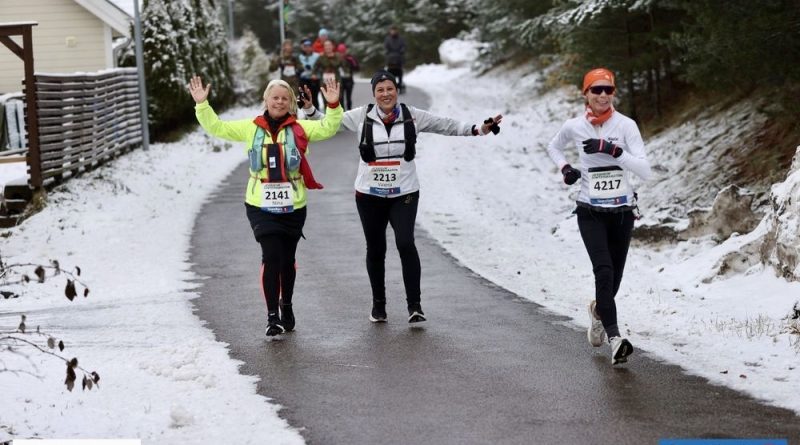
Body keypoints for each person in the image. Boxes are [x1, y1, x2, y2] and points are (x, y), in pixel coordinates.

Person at [322, 70, 502, 324]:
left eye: (390, 89)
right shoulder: (361, 116)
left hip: (404, 192)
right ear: (374, 94)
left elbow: (446, 125)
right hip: (369, 194)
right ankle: (379, 305)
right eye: (380, 90)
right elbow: (327, 125)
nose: (386, 94)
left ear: (396, 91)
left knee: (405, 243)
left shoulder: (412, 115)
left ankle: (414, 305)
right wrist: (313, 108)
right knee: (376, 248)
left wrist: (478, 129)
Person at [188, 75, 343, 337]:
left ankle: (287, 304)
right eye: (275, 98)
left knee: (287, 260)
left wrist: (333, 104)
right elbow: (218, 127)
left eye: (285, 98)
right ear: (266, 100)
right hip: (259, 203)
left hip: (293, 204)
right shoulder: (251, 127)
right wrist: (202, 104)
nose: (280, 102)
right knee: (271, 256)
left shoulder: (300, 128)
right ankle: (272, 316)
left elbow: (329, 127)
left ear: (291, 103)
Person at [545, 67, 651, 365]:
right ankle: (616, 339)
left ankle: (597, 311)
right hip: (590, 211)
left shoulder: (626, 125)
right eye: (596, 90)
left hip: (622, 212)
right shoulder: (574, 126)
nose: (603, 95)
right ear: (586, 94)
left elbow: (644, 170)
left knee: (613, 280)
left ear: (613, 93)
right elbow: (553, 146)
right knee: (603, 271)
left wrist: (612, 150)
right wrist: (566, 168)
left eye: (608, 90)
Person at [313, 40, 345, 107]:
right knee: (326, 100)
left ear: (332, 46)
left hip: (336, 80)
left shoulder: (338, 56)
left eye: (329, 45)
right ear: (324, 47)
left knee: (338, 99)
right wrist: (314, 74)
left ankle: (340, 116)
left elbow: (344, 66)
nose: (328, 47)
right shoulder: (321, 57)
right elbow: (315, 66)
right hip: (325, 82)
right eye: (326, 46)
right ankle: (328, 116)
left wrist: (347, 73)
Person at [299, 39, 321, 109]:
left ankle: (316, 116)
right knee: (304, 99)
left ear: (312, 47)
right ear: (304, 48)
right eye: (306, 47)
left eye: (309, 46)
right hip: (304, 80)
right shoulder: (300, 57)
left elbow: (320, 67)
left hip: (314, 80)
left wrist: (315, 73)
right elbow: (298, 68)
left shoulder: (317, 56)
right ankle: (306, 116)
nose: (308, 48)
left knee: (314, 99)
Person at [336, 43, 359, 110]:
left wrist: (352, 62)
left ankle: (349, 112)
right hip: (339, 81)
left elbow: (357, 68)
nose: (342, 54)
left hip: (349, 81)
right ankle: (342, 113)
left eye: (343, 52)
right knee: (341, 98)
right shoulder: (336, 59)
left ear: (345, 51)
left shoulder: (350, 58)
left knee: (348, 98)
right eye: (340, 52)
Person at [384, 26, 406, 93]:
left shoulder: (401, 39)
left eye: (394, 30)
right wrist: (388, 52)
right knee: (390, 73)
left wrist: (401, 51)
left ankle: (400, 84)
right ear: (390, 31)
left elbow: (404, 46)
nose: (393, 32)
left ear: (397, 31)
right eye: (392, 31)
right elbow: (386, 47)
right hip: (390, 59)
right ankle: (391, 85)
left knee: (399, 73)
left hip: (399, 58)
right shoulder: (387, 39)